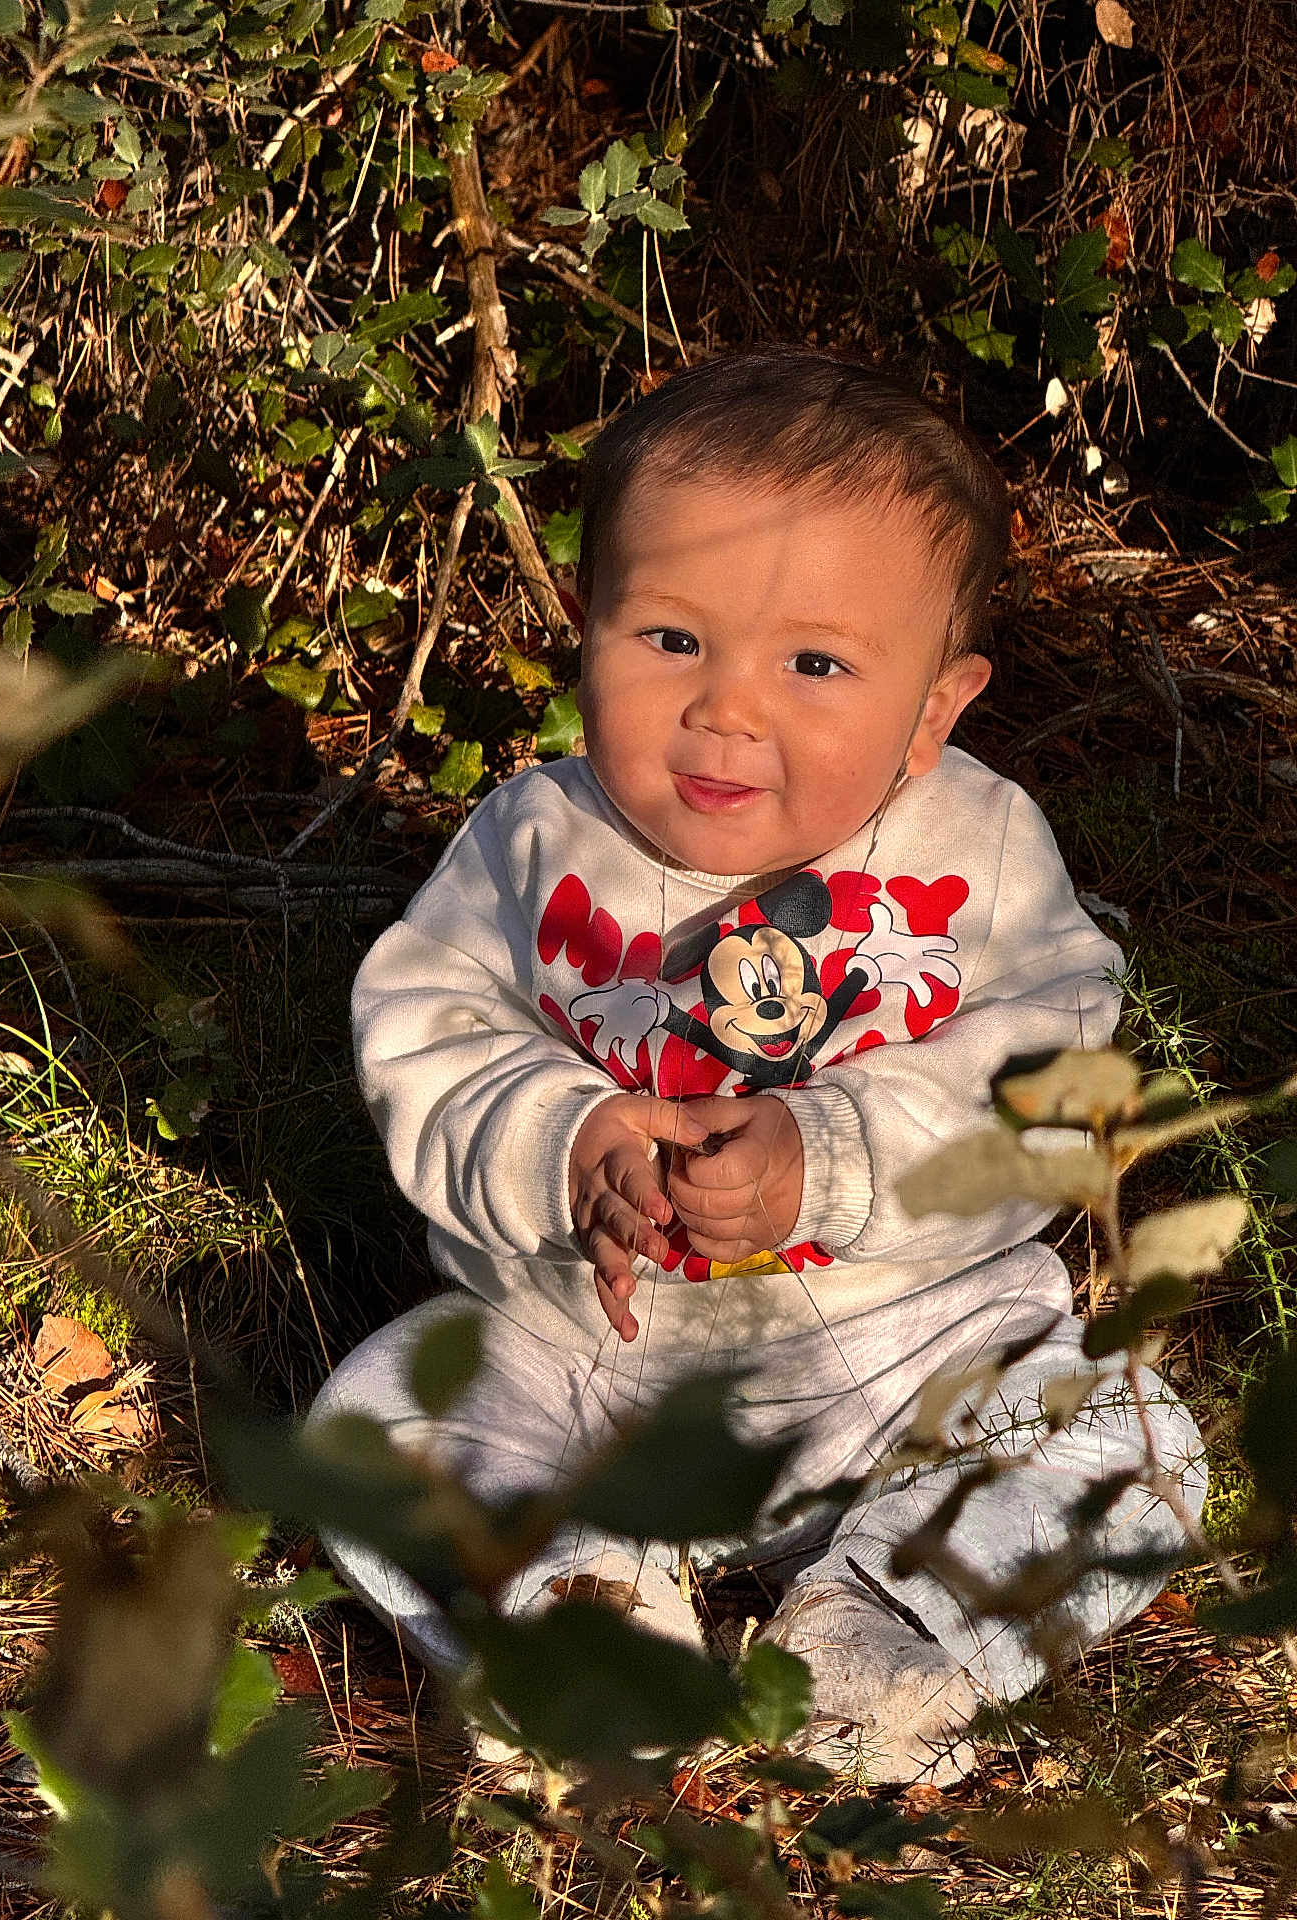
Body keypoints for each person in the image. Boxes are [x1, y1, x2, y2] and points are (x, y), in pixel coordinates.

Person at [308, 348, 1206, 1785]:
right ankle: (593, 1613)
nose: (727, 710)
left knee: (1126, 1438)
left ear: (932, 707)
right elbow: (426, 1029)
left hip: (912, 1354)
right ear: (584, 625)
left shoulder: (975, 855)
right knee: (381, 1416)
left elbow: (1049, 1075)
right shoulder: (533, 840)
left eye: (815, 665)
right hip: (587, 1371)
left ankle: (881, 1634)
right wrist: (565, 1140)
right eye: (670, 639)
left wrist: (831, 1157)